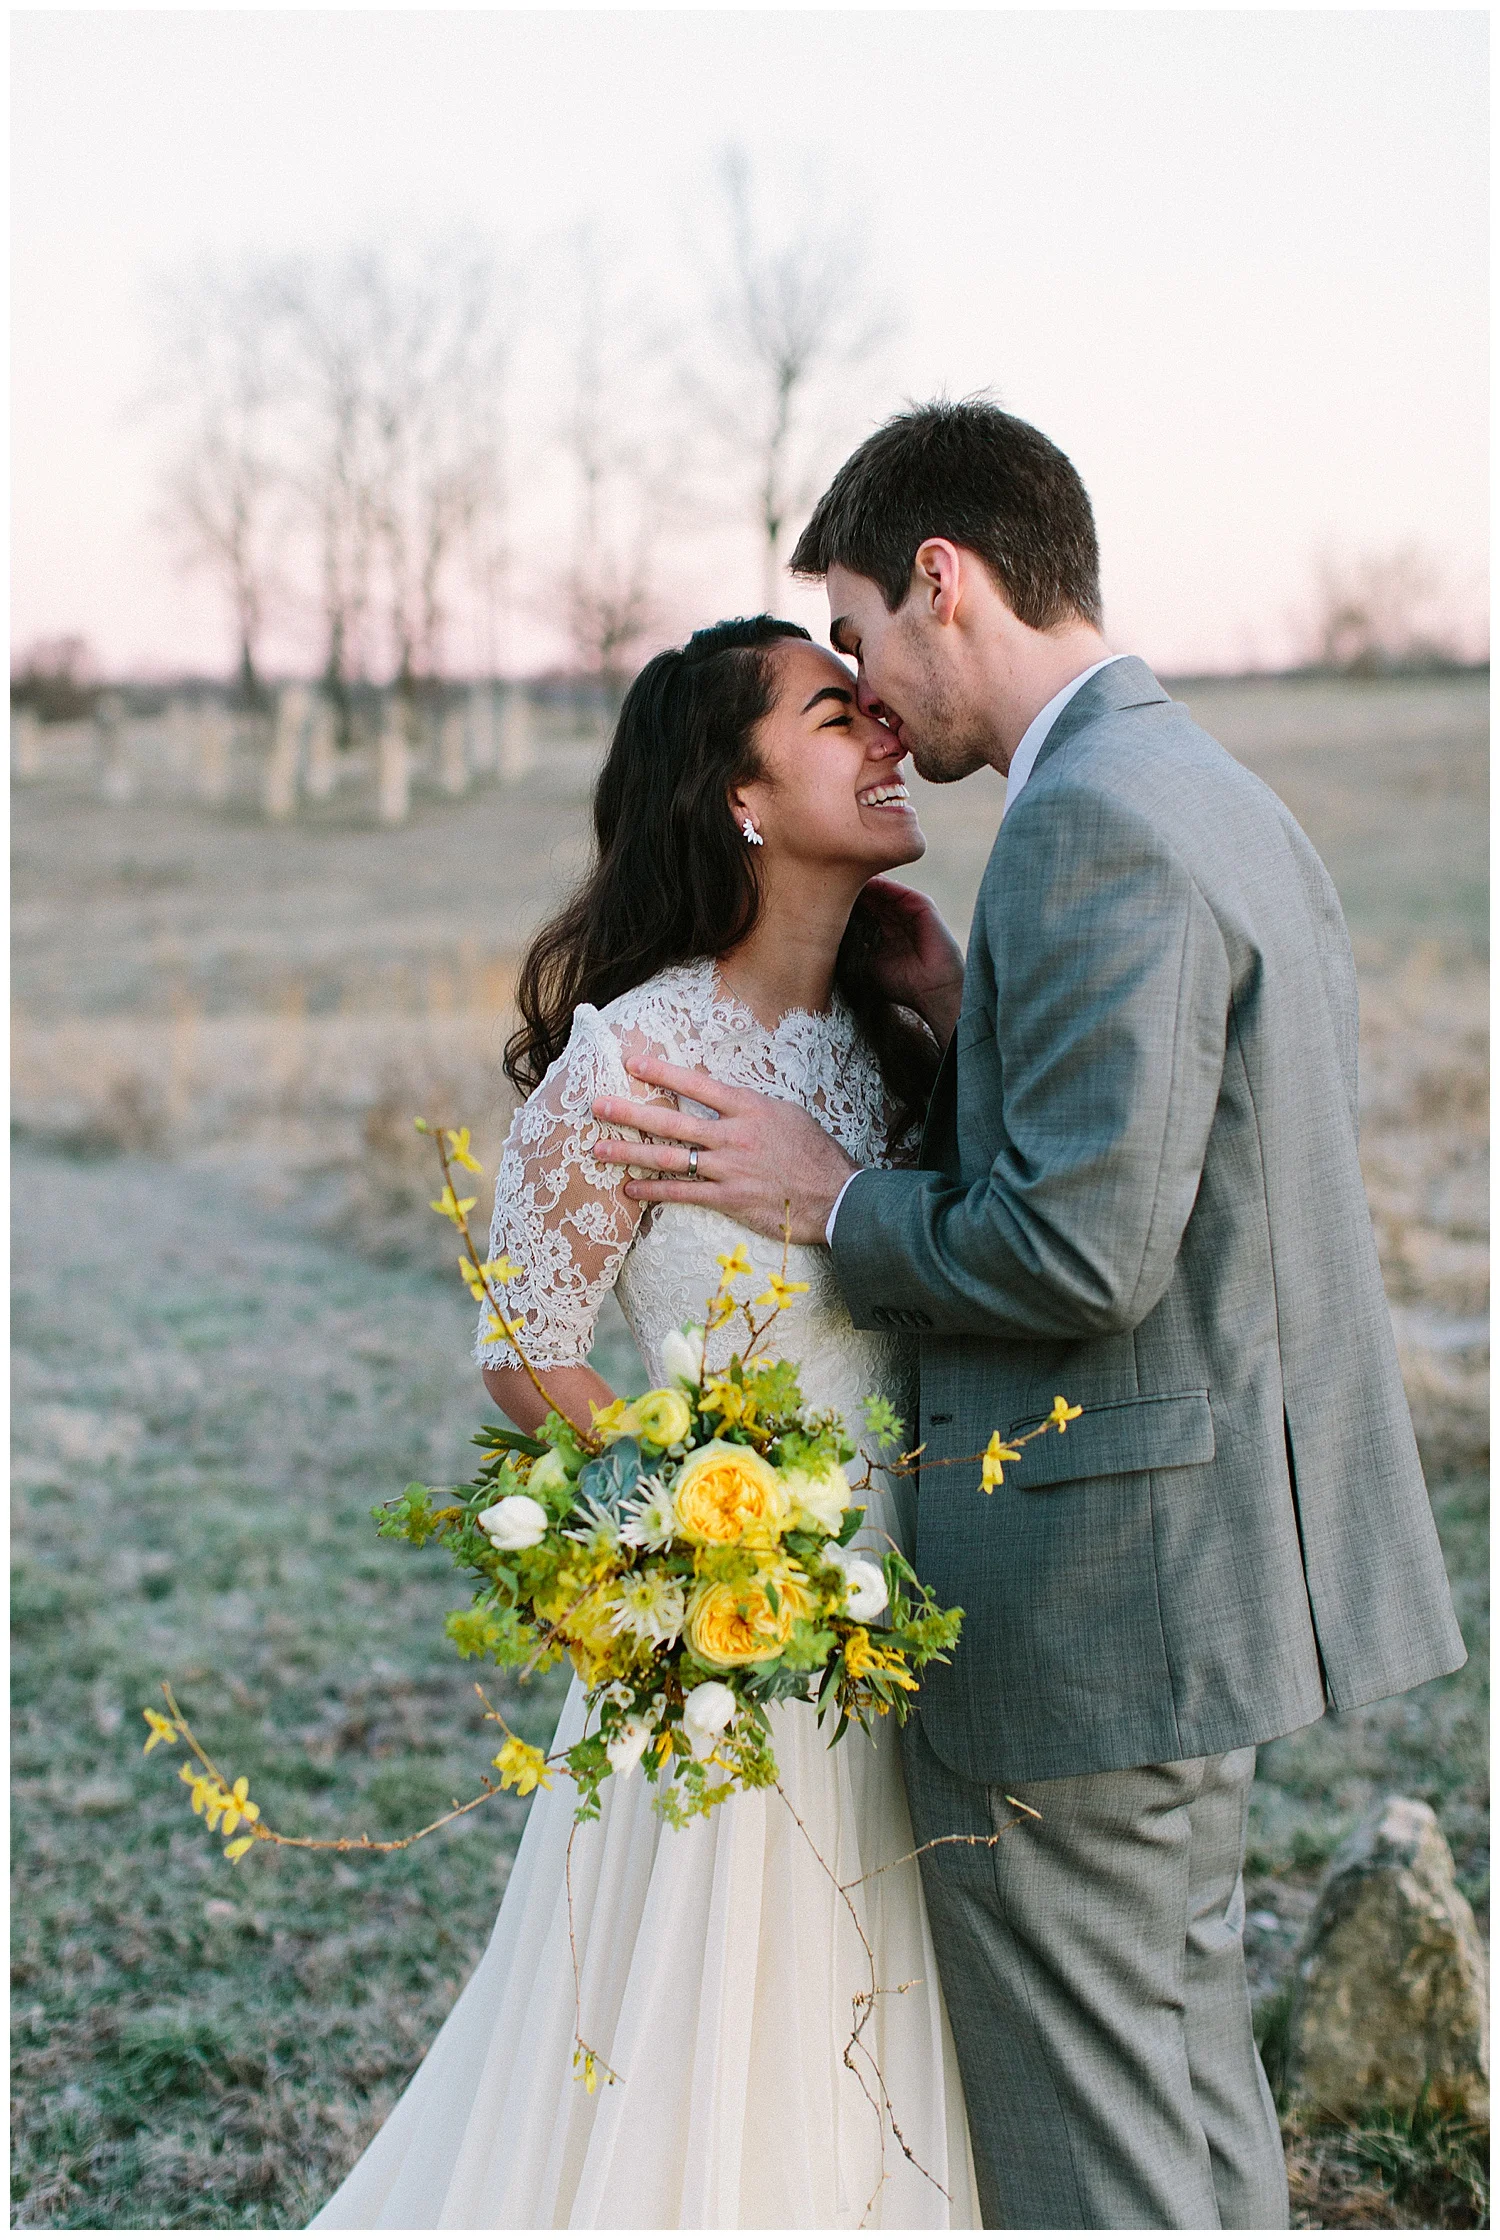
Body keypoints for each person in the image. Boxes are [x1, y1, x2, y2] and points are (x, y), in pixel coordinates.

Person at [590, 401, 1468, 2230]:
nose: (870, 696)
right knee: (1187, 2088)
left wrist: (829, 1199)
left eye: (858, 638)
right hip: (1203, 1575)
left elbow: (1083, 1252)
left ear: (944, 578)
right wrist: (971, 1018)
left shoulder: (1085, 825)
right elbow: (1183, 1161)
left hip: (1089, 1608)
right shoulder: (1202, 786)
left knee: (1093, 2157)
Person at [310, 617, 980, 2230]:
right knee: (708, 2034)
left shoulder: (890, 1042)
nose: (886, 734)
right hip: (742, 1633)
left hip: (919, 1617)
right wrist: (707, 1534)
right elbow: (524, 1346)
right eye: (837, 715)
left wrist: (951, 1006)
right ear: (740, 797)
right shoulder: (637, 1054)